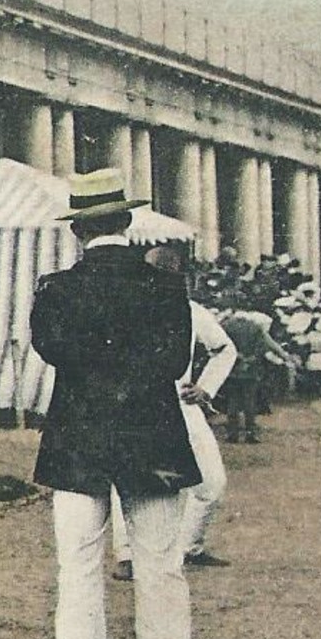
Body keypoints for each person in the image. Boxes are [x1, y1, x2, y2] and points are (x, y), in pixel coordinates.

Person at [30, 168, 204, 639]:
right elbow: (177, 362)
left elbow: (51, 350)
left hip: (80, 437)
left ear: (78, 230)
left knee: (78, 568)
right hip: (152, 434)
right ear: (128, 221)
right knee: (160, 566)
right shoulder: (166, 287)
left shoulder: (56, 289)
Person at [113, 243, 237, 581]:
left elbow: (225, 348)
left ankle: (187, 547)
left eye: (167, 274)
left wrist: (206, 387)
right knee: (128, 480)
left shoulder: (192, 311)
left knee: (212, 482)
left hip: (182, 405)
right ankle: (126, 555)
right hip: (137, 409)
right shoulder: (125, 310)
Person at [218, 310, 293, 443]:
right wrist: (285, 356)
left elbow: (220, 345)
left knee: (233, 402)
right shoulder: (255, 326)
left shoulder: (226, 326)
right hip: (251, 369)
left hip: (233, 368)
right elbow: (266, 345)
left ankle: (232, 434)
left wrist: (238, 357)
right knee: (249, 402)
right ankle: (250, 434)